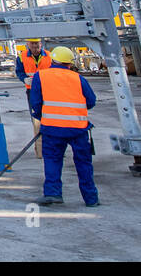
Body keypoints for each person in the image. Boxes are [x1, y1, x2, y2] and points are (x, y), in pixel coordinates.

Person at [29, 46, 99, 207]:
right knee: (84, 163)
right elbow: (91, 101)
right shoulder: (78, 78)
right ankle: (91, 198)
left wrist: (43, 116)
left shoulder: (41, 76)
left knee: (53, 160)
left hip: (52, 128)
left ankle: (53, 193)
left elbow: (36, 103)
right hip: (78, 128)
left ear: (52, 60)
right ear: (69, 63)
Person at [15, 39, 51, 155]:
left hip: (49, 90)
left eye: (37, 43)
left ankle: (52, 146)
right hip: (32, 91)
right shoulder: (22, 57)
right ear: (28, 45)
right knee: (37, 120)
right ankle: (40, 150)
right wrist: (24, 78)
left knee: (51, 118)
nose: (35, 46)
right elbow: (19, 72)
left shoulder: (49, 56)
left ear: (41, 44)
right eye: (32, 44)